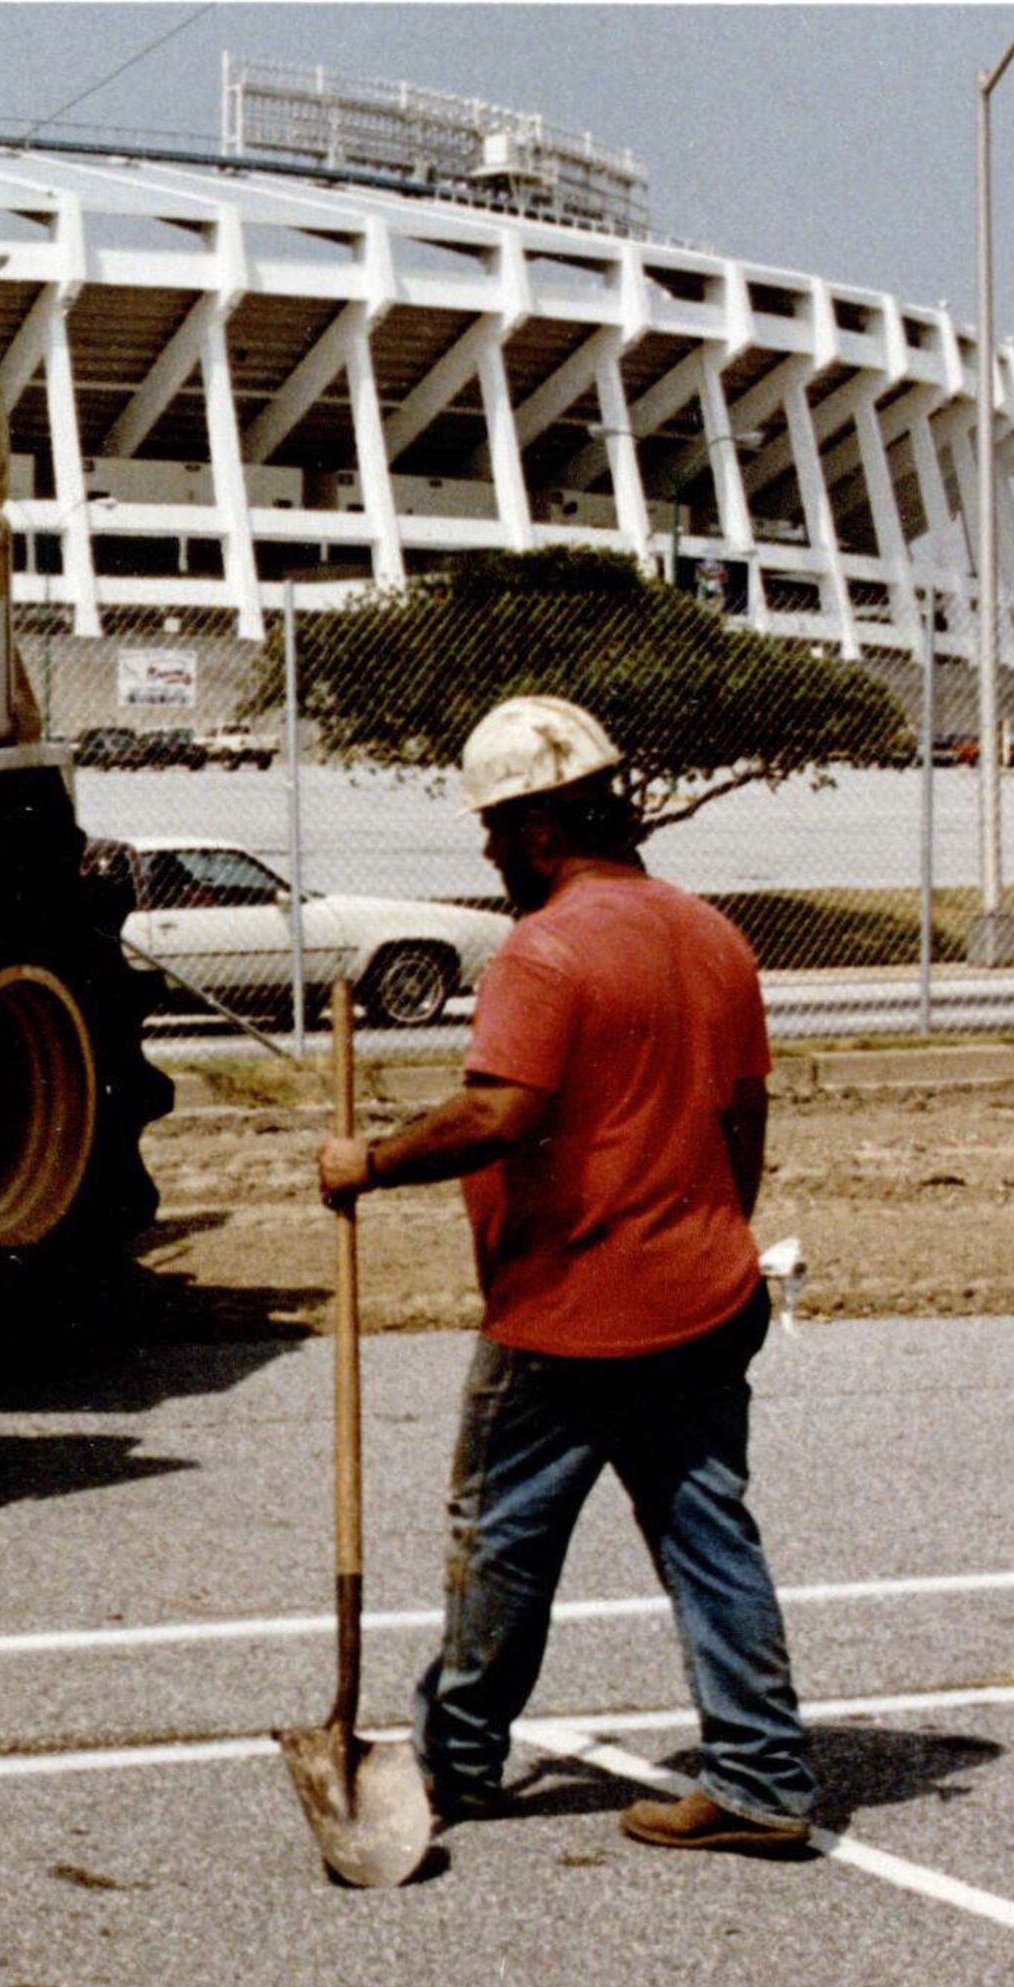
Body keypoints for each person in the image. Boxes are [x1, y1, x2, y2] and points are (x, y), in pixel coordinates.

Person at [314, 695, 814, 1854]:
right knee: (708, 1535)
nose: (487, 854)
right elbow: (745, 1128)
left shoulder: (545, 948)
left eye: (493, 831)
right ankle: (762, 1773)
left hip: (568, 1312)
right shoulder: (714, 937)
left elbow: (500, 1110)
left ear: (539, 831)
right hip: (705, 1290)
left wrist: (367, 1162)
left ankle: (458, 1760)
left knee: (501, 1537)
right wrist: (703, 1234)